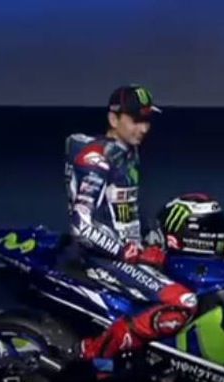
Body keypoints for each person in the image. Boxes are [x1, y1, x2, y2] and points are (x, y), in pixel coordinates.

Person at [64, 85, 198, 360]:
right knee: (185, 302)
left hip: (127, 256)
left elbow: (127, 210)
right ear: (113, 119)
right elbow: (81, 226)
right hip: (102, 259)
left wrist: (154, 239)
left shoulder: (128, 154)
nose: (144, 128)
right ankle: (96, 353)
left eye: (147, 120)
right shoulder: (97, 160)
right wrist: (127, 252)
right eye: (136, 120)